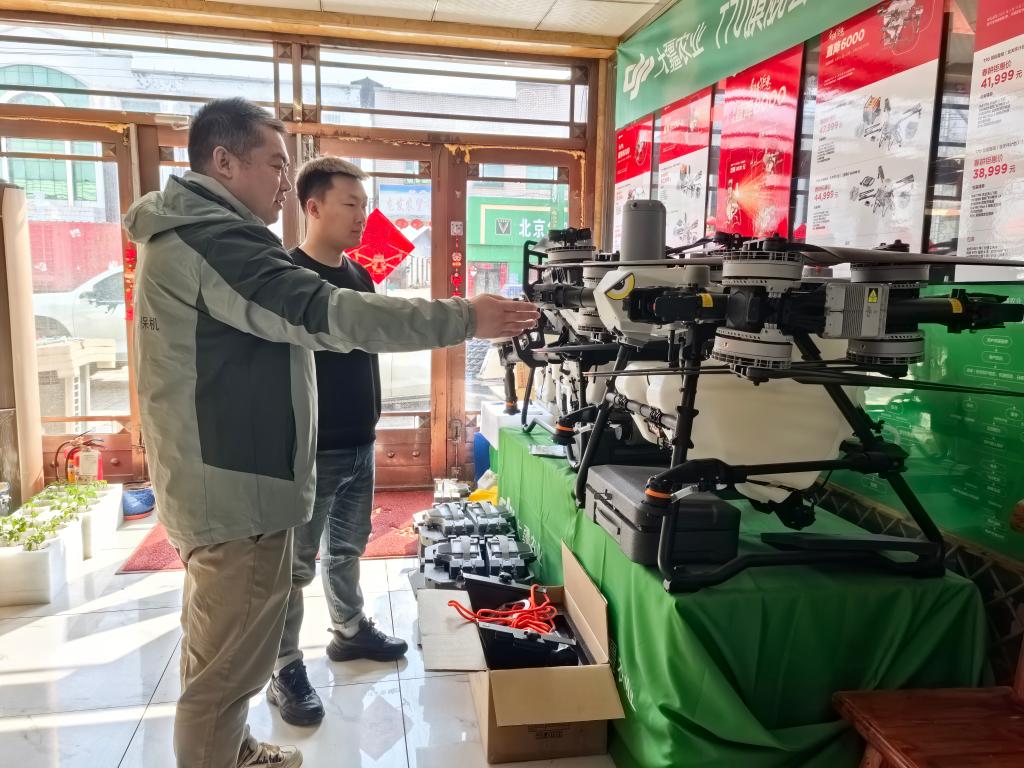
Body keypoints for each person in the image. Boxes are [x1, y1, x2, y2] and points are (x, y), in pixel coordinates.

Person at [124, 97, 538, 768]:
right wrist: (465, 317)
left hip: (226, 473)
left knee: (224, 652)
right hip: (235, 485)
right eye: (274, 164)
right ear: (223, 161)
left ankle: (233, 749)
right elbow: (329, 315)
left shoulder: (198, 235)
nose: (283, 182)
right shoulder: (214, 241)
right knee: (225, 672)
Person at [265, 156, 402, 727]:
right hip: (310, 451)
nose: (361, 216)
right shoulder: (287, 277)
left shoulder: (359, 274)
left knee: (348, 547)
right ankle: (284, 667)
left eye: (365, 206)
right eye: (351, 204)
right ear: (313, 206)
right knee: (292, 568)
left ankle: (348, 630)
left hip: (359, 441)